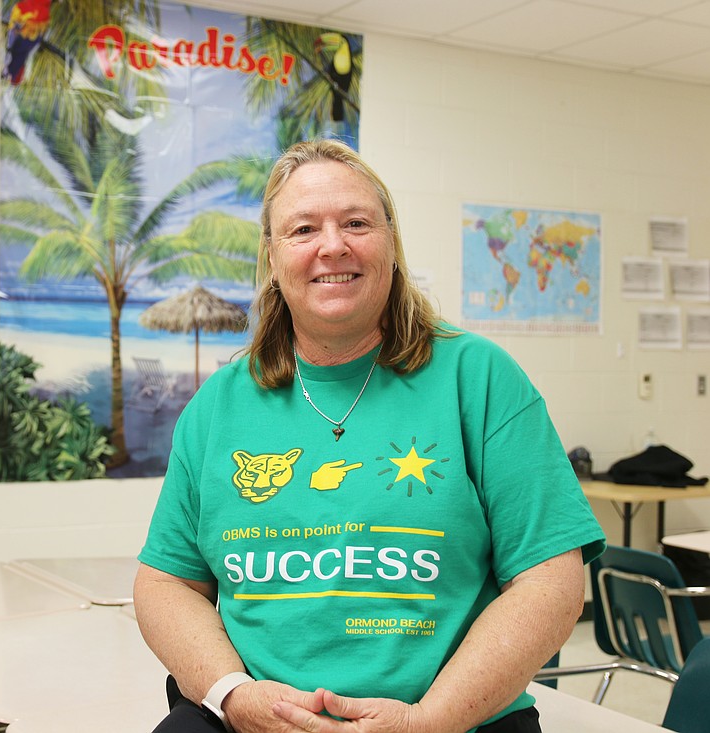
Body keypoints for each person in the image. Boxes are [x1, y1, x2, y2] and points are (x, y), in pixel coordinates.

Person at [133, 138, 605, 733]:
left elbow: (550, 579)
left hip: (454, 723)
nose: (333, 245)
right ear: (274, 257)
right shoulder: (218, 406)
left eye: (357, 222)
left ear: (391, 244)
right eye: (303, 229)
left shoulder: (479, 378)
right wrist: (232, 694)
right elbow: (166, 581)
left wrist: (427, 720)